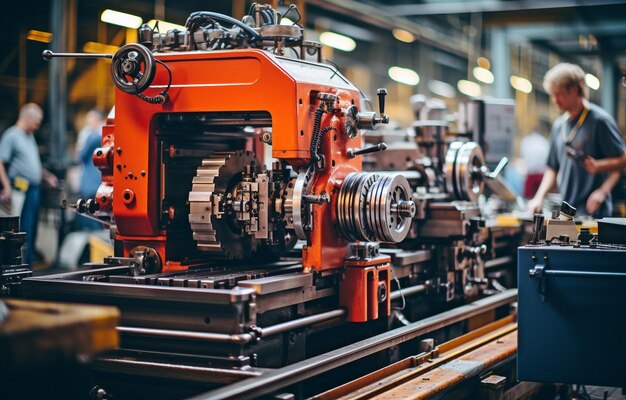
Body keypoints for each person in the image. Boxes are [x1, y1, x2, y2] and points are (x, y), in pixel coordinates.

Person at [527, 63, 626, 218]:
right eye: (552, 95)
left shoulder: (600, 121)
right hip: (568, 212)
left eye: (558, 94)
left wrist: (602, 190)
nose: (554, 100)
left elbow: (622, 160)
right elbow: (552, 167)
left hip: (595, 212)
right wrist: (539, 197)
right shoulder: (559, 125)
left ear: (574, 90)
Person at [0, 103, 58, 265]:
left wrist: (46, 176)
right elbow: (1, 162)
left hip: (33, 190)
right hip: (19, 190)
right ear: (27, 117)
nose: (38, 125)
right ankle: (16, 268)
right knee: (19, 231)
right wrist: (6, 187)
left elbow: (33, 165)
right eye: (37, 121)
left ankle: (27, 267)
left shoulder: (29, 136)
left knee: (30, 230)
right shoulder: (11, 136)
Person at [76, 109, 105, 230]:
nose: (88, 125)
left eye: (90, 121)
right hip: (100, 182)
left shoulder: (93, 137)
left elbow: (81, 156)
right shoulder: (105, 137)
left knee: (89, 214)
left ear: (97, 120)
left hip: (91, 183)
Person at [519, 130, 550, 198]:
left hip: (536, 174)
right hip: (539, 174)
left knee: (532, 198)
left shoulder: (526, 141)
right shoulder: (544, 142)